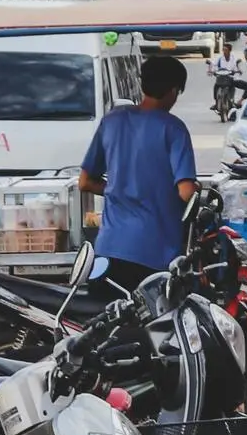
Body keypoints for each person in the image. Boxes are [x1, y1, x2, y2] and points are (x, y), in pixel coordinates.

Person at [78, 55, 198, 291]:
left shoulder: (112, 121)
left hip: (107, 251)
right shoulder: (173, 128)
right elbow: (186, 192)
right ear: (173, 90)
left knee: (106, 322)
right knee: (152, 325)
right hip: (154, 254)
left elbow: (85, 182)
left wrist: (117, 189)